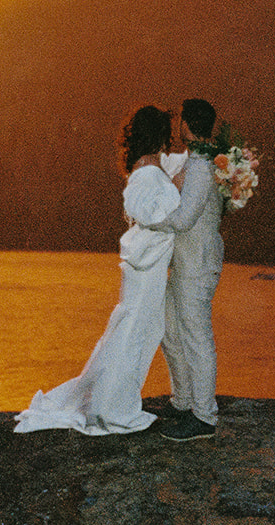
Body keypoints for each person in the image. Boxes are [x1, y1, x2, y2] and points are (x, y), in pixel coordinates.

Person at [13, 105, 182, 436]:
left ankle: (111, 400)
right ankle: (111, 407)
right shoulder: (148, 172)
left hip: (147, 264)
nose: (170, 141)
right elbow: (145, 211)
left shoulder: (149, 167)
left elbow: (174, 174)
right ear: (157, 135)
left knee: (134, 330)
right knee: (136, 331)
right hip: (147, 267)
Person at [148, 98, 226, 442]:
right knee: (171, 329)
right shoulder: (203, 162)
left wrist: (150, 221)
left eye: (180, 120)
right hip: (187, 262)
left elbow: (184, 219)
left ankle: (204, 416)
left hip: (197, 265)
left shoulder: (201, 168)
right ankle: (182, 401)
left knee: (195, 336)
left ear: (186, 125)